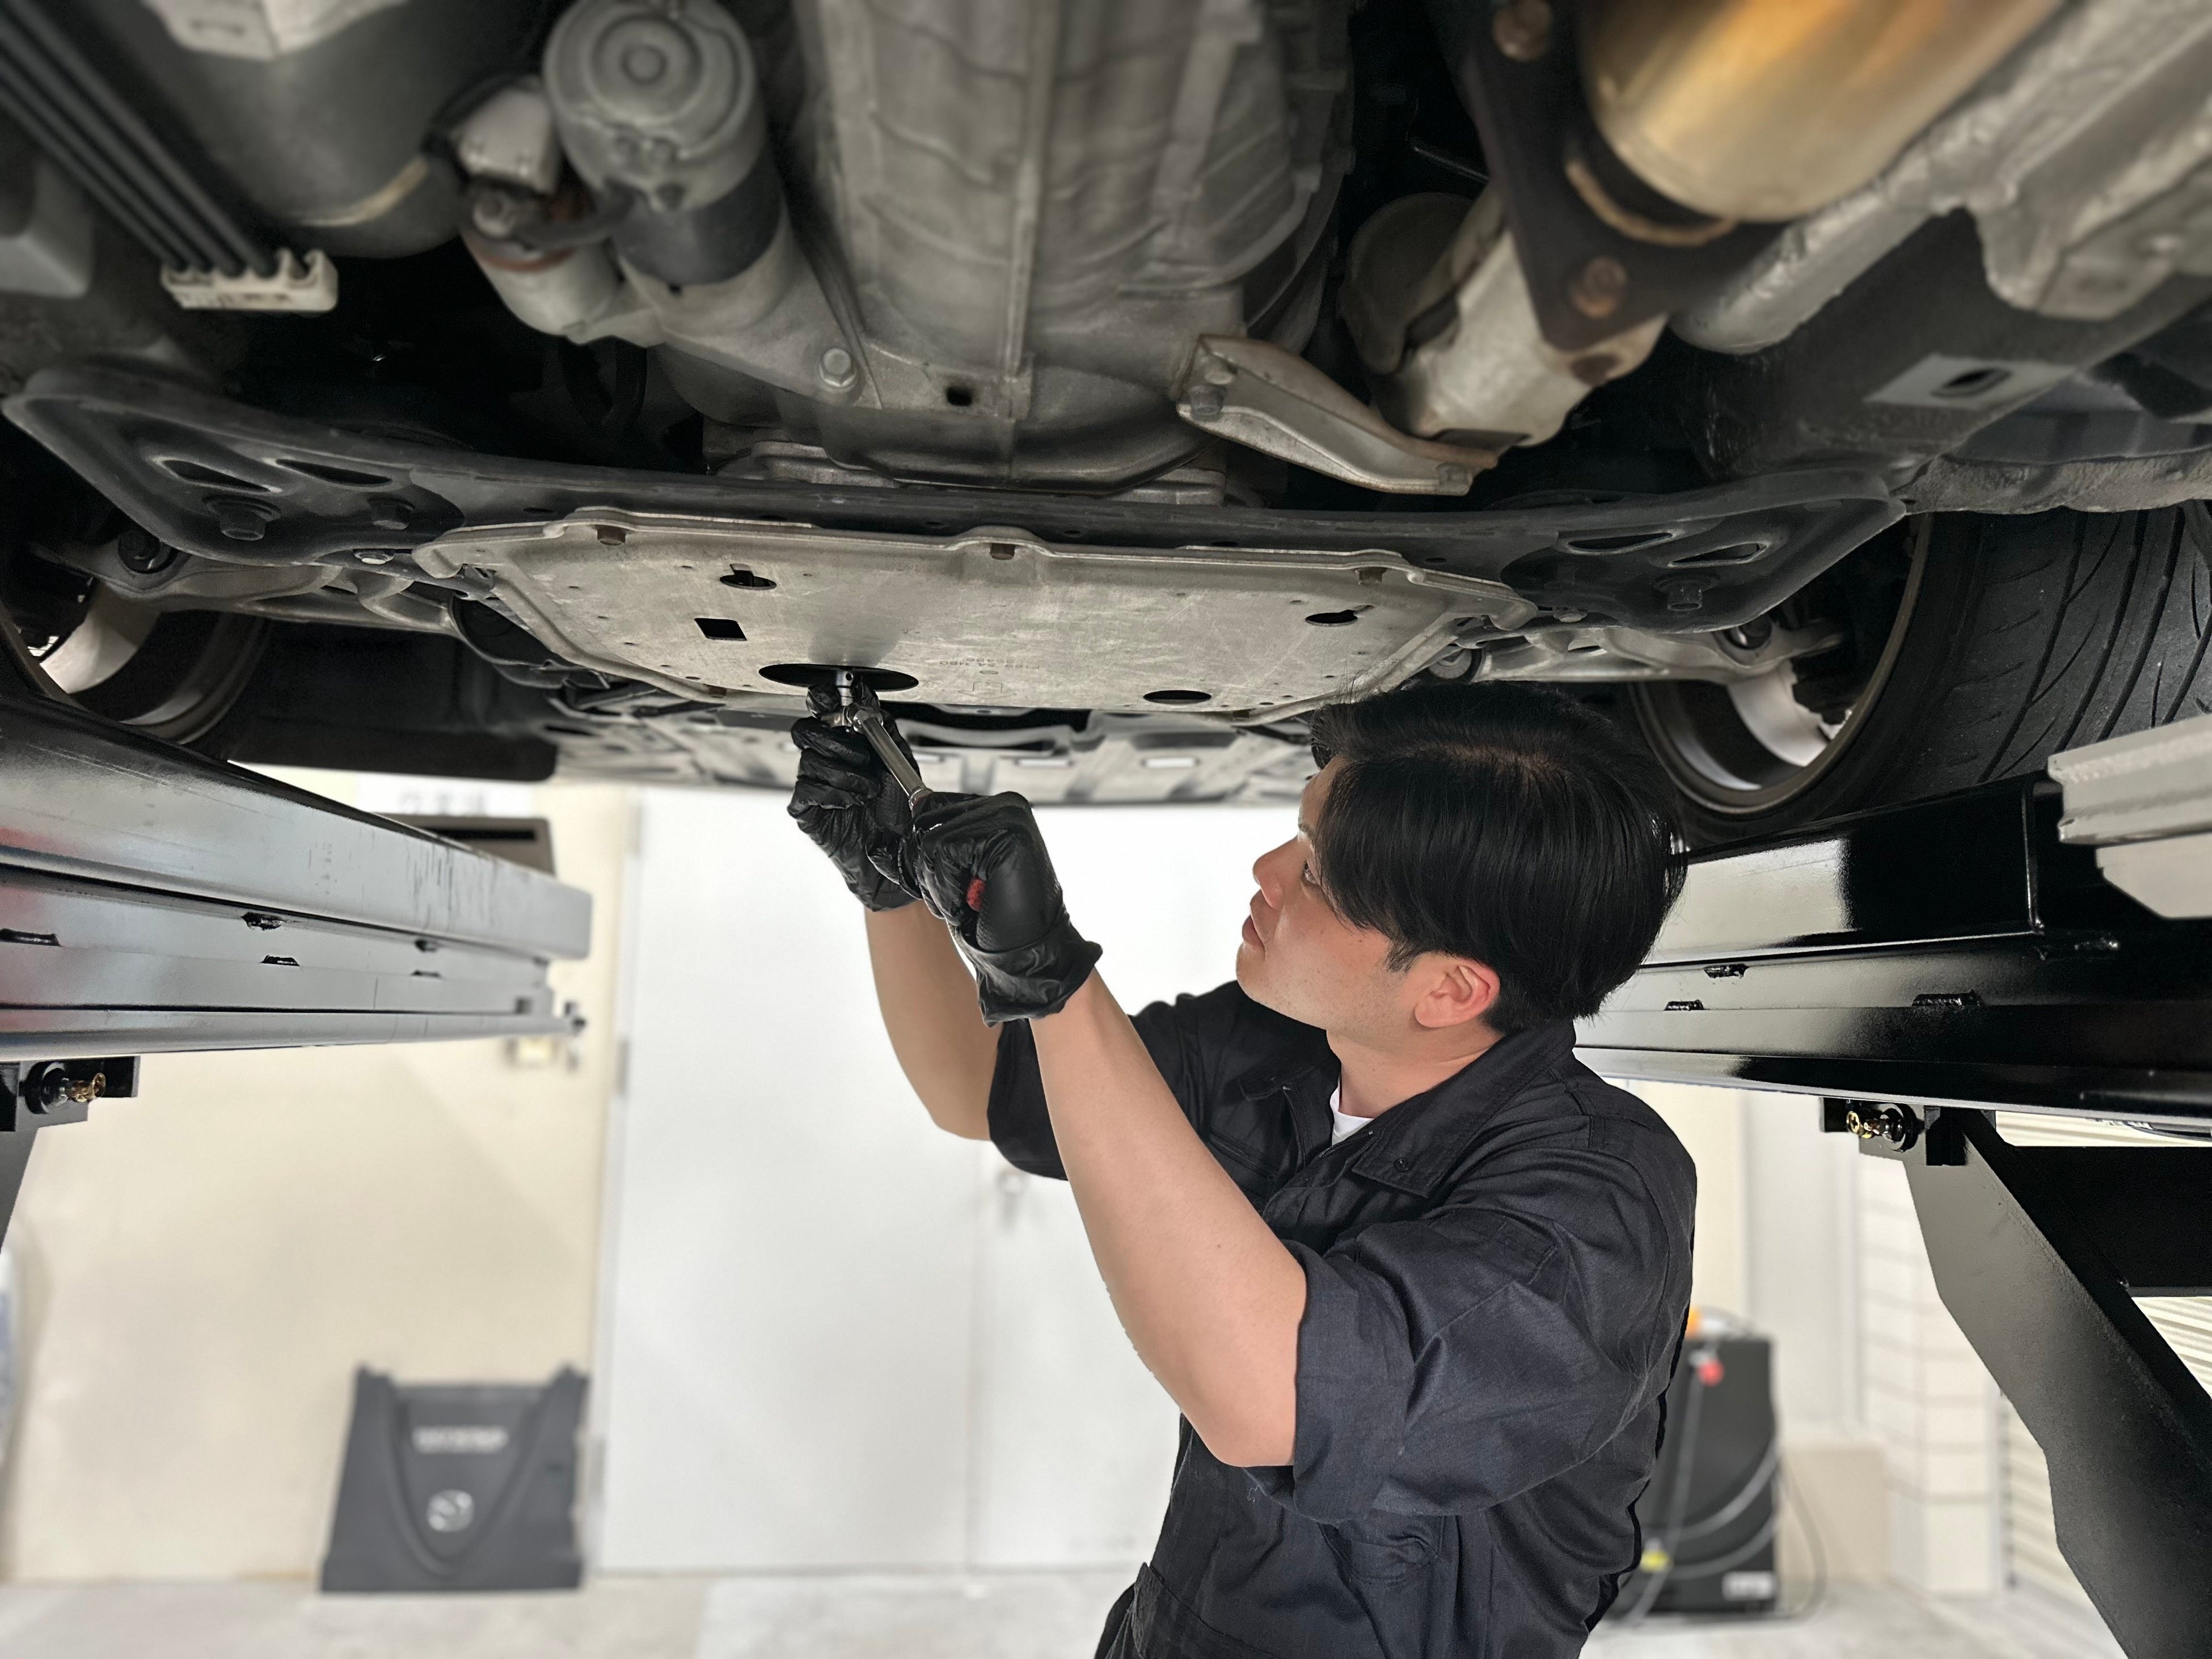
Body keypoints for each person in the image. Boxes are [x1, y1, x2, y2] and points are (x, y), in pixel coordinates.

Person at [788, 678, 1696, 1659]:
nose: (1268, 870)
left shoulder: (1597, 1210)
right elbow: (979, 1088)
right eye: (1297, 834)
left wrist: (1052, 976)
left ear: (1449, 990)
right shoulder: (1286, 1046)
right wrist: (892, 889)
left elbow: (1270, 1394)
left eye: (1317, 875)